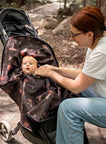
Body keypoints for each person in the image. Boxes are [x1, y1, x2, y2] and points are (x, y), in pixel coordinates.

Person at [34, 6, 106, 144]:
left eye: (74, 34)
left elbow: (76, 87)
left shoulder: (101, 51)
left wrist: (50, 73)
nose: (71, 38)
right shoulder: (97, 43)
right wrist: (56, 70)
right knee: (70, 84)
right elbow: (85, 75)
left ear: (89, 34)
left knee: (68, 108)